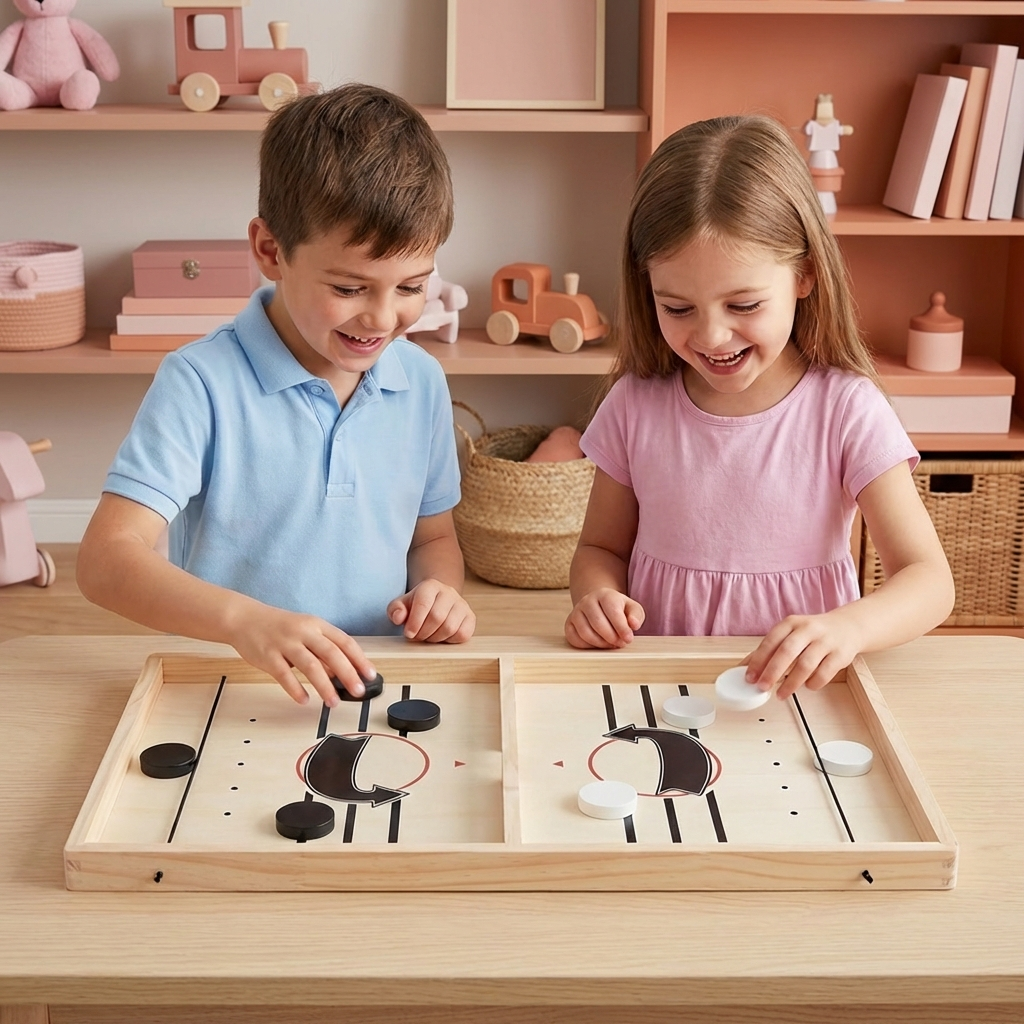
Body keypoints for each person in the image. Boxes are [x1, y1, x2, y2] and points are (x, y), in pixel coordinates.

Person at [77, 84, 475, 707]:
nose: (381, 317)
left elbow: (433, 540)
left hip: (374, 685)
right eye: (348, 287)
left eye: (411, 287)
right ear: (270, 250)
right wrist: (246, 623)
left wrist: (440, 594)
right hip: (230, 687)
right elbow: (105, 560)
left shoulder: (421, 381)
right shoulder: (200, 382)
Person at [565, 115, 954, 699]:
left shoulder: (845, 408)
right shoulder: (634, 405)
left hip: (802, 695)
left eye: (743, 304)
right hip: (662, 688)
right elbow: (600, 549)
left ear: (805, 275)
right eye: (677, 308)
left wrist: (851, 627)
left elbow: (928, 580)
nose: (712, 337)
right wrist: (596, 597)